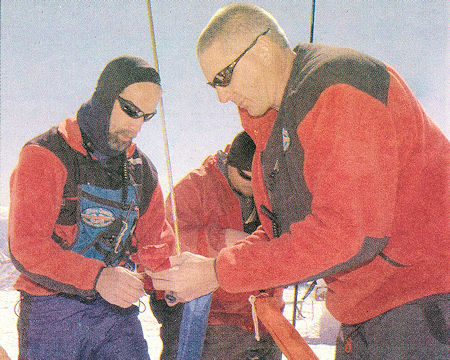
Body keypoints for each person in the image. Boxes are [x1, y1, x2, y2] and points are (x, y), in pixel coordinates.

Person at [148, 4, 450, 360]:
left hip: (421, 306)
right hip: (365, 317)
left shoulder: (338, 86)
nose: (222, 96)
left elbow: (350, 234)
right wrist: (209, 268)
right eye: (214, 85)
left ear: (261, 48)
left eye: (224, 77)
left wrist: (218, 273)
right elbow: (280, 234)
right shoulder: (270, 135)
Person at [8, 55, 175, 360]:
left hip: (115, 314)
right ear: (105, 97)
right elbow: (27, 246)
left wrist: (165, 271)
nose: (136, 126)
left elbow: (156, 240)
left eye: (146, 116)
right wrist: (98, 278)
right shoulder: (45, 155)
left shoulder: (142, 171)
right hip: (51, 311)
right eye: (130, 111)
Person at [149, 131, 283, 359]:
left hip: (265, 319)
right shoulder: (195, 186)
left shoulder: (273, 191)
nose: (254, 187)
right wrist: (221, 240)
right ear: (229, 160)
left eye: (261, 180)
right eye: (246, 177)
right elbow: (162, 243)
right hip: (210, 317)